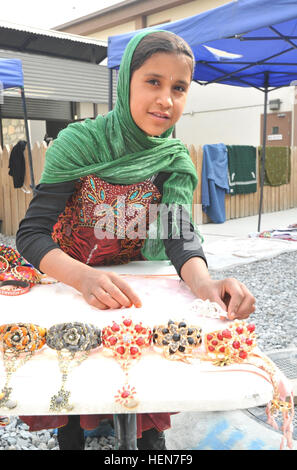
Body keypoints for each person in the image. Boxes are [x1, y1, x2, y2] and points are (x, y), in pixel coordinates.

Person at [16, 30, 255, 450]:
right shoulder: (79, 144)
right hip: (69, 281)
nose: (166, 99)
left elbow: (179, 236)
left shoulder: (171, 159)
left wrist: (206, 285)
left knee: (144, 389)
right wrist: (83, 278)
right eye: (153, 82)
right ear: (126, 80)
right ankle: (71, 433)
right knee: (72, 388)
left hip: (132, 286)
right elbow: (32, 234)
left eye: (178, 88)